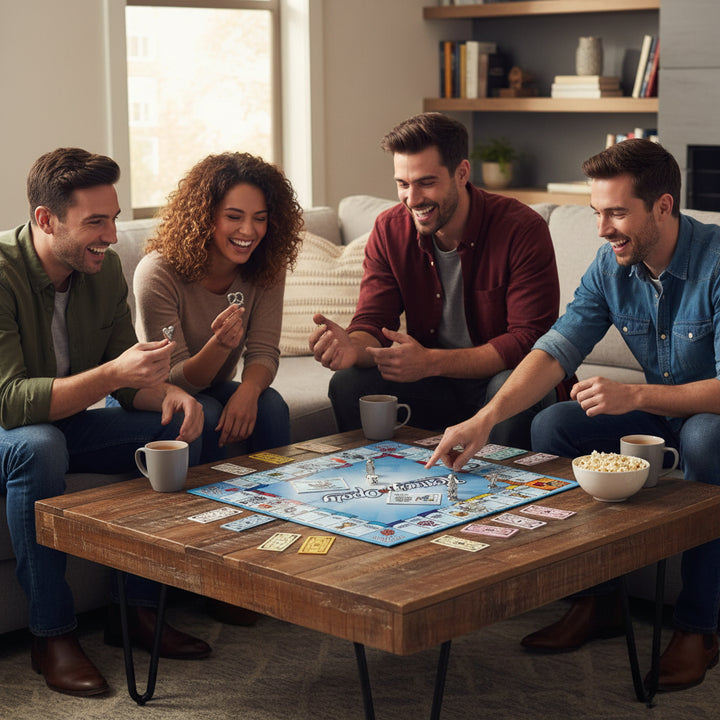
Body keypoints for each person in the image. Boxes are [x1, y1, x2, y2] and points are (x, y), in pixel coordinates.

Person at [427, 138, 720, 692]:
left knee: (706, 438)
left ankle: (698, 629)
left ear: (663, 206)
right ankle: (600, 601)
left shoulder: (717, 263)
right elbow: (554, 349)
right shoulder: (612, 267)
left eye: (616, 213)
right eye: (596, 213)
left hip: (710, 417)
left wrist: (635, 398)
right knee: (553, 425)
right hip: (664, 414)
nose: (603, 229)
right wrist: (484, 420)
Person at [0, 148, 213, 698]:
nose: (113, 236)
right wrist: (115, 371)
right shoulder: (1, 273)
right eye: (96, 221)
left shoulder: (101, 270)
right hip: (12, 431)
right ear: (46, 220)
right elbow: (11, 403)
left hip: (64, 419)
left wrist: (169, 393)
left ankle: (134, 612)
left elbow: (124, 380)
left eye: (114, 218)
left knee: (177, 431)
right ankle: (51, 635)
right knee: (40, 447)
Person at [309, 112, 566, 448]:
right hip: (433, 385)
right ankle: (378, 484)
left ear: (461, 173)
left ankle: (504, 497)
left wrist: (430, 362)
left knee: (510, 384)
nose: (412, 199)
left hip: (501, 383)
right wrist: (351, 348)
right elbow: (372, 319)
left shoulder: (522, 229)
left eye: (426, 183)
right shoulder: (389, 229)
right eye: (402, 184)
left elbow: (528, 341)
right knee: (349, 382)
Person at [134, 152, 303, 461]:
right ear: (205, 216)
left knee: (271, 405)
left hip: (211, 386)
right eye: (234, 217)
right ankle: (207, 508)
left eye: (260, 218)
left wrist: (248, 391)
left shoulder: (266, 267)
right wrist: (220, 345)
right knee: (205, 412)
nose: (249, 231)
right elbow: (174, 377)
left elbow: (264, 351)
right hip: (149, 392)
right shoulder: (157, 272)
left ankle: (276, 499)